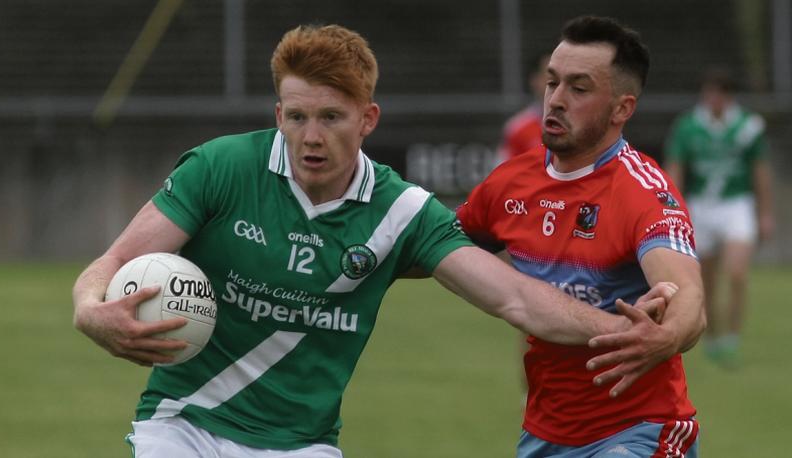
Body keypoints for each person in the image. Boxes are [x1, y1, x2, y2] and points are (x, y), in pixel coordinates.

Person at [72, 24, 674, 458]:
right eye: (295, 116)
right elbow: (116, 261)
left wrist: (628, 331)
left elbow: (515, 298)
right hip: (183, 424)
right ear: (277, 111)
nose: (309, 136)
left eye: (330, 117)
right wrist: (90, 310)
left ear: (368, 119)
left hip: (301, 444)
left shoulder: (401, 213)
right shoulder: (221, 168)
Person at [457, 16, 706, 457]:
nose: (555, 100)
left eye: (579, 88)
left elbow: (686, 294)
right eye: (552, 83)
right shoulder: (511, 182)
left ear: (621, 109)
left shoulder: (644, 191)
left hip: (640, 432)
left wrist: (666, 337)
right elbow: (437, 249)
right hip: (545, 435)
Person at [664, 67, 775, 369]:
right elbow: (676, 167)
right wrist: (674, 207)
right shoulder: (688, 126)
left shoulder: (747, 126)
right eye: (708, 92)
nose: (713, 99)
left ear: (729, 96)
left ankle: (732, 338)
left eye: (719, 93)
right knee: (706, 279)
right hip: (701, 207)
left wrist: (765, 213)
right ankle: (712, 336)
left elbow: (760, 171)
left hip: (737, 205)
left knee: (737, 272)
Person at [498, 51, 551, 162]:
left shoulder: (580, 124)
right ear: (534, 80)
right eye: (549, 76)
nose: (556, 84)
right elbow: (506, 171)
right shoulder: (518, 129)